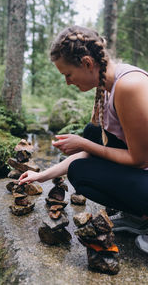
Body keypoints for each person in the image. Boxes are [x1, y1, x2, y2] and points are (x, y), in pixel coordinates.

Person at [19, 26, 148, 253]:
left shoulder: (129, 86)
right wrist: (41, 176)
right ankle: (139, 216)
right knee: (91, 133)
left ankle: (143, 215)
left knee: (81, 170)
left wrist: (84, 144)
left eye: (68, 74)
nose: (68, 82)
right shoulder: (108, 89)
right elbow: (91, 150)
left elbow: (139, 159)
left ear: (88, 63)